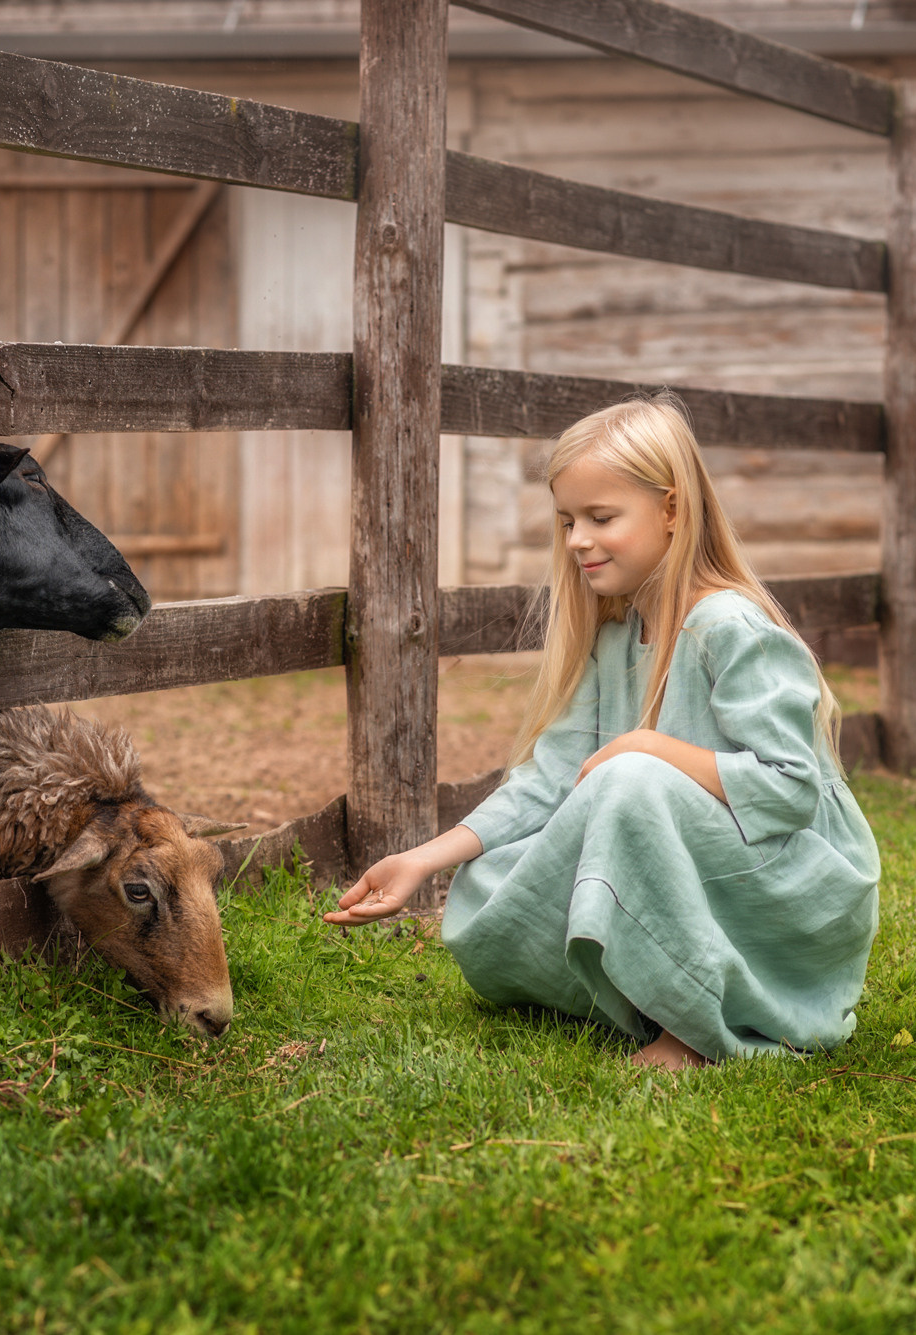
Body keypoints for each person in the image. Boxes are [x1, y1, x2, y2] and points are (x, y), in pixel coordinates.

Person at [323, 394, 880, 1071]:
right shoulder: (615, 638)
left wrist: (648, 746)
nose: (577, 539)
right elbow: (550, 778)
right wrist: (424, 859)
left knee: (630, 779)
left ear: (671, 510)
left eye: (601, 517)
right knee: (493, 874)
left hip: (784, 884)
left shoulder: (729, 626)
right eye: (566, 520)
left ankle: (691, 1028)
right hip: (704, 862)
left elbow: (790, 789)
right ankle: (645, 980)